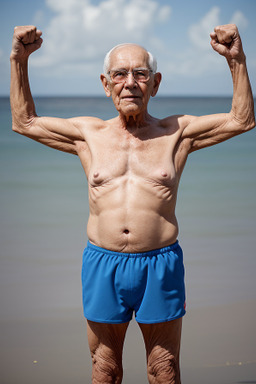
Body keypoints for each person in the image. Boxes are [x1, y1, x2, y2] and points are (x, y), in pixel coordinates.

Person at [10, 24, 255, 384]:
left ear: (155, 84)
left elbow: (242, 119)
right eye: (119, 74)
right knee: (104, 370)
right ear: (105, 84)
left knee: (164, 369)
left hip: (160, 263)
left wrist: (237, 60)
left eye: (141, 74)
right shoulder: (88, 135)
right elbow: (24, 121)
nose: (130, 82)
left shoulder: (177, 133)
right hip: (103, 262)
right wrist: (19, 60)